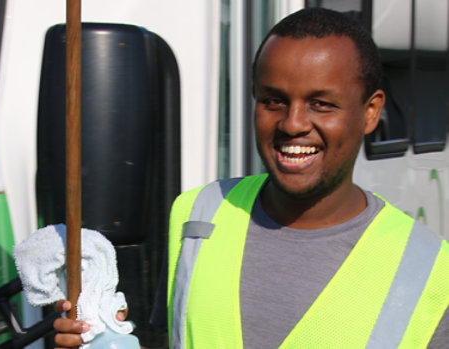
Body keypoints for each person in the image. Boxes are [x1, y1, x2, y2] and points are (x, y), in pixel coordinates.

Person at [53, 8, 449, 348]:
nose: (293, 123)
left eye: (321, 104)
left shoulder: (431, 272)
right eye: (273, 100)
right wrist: (104, 336)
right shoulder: (196, 215)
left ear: (369, 112)